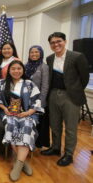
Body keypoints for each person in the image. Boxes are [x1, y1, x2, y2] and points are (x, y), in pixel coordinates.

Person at [41, 32, 90, 166]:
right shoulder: (50, 58)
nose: (56, 44)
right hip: (53, 95)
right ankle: (55, 148)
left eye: (59, 41)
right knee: (54, 124)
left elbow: (84, 78)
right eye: (52, 43)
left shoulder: (77, 57)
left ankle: (68, 154)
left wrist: (74, 90)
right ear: (50, 45)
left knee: (70, 127)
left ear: (65, 41)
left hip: (71, 96)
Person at [0, 60, 44, 181]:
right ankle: (22, 162)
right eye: (13, 69)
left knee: (26, 127)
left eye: (19, 69)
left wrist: (28, 113)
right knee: (11, 126)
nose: (16, 71)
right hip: (9, 114)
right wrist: (4, 109)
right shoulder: (2, 83)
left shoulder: (29, 84)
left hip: (27, 114)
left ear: (23, 70)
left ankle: (18, 165)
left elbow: (37, 101)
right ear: (9, 71)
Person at [25, 45, 50, 148]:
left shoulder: (44, 67)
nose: (34, 54)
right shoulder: (25, 65)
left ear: (41, 54)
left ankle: (37, 143)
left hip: (38, 100)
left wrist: (41, 101)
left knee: (39, 123)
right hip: (27, 99)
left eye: (36, 52)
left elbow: (45, 86)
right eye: (32, 52)